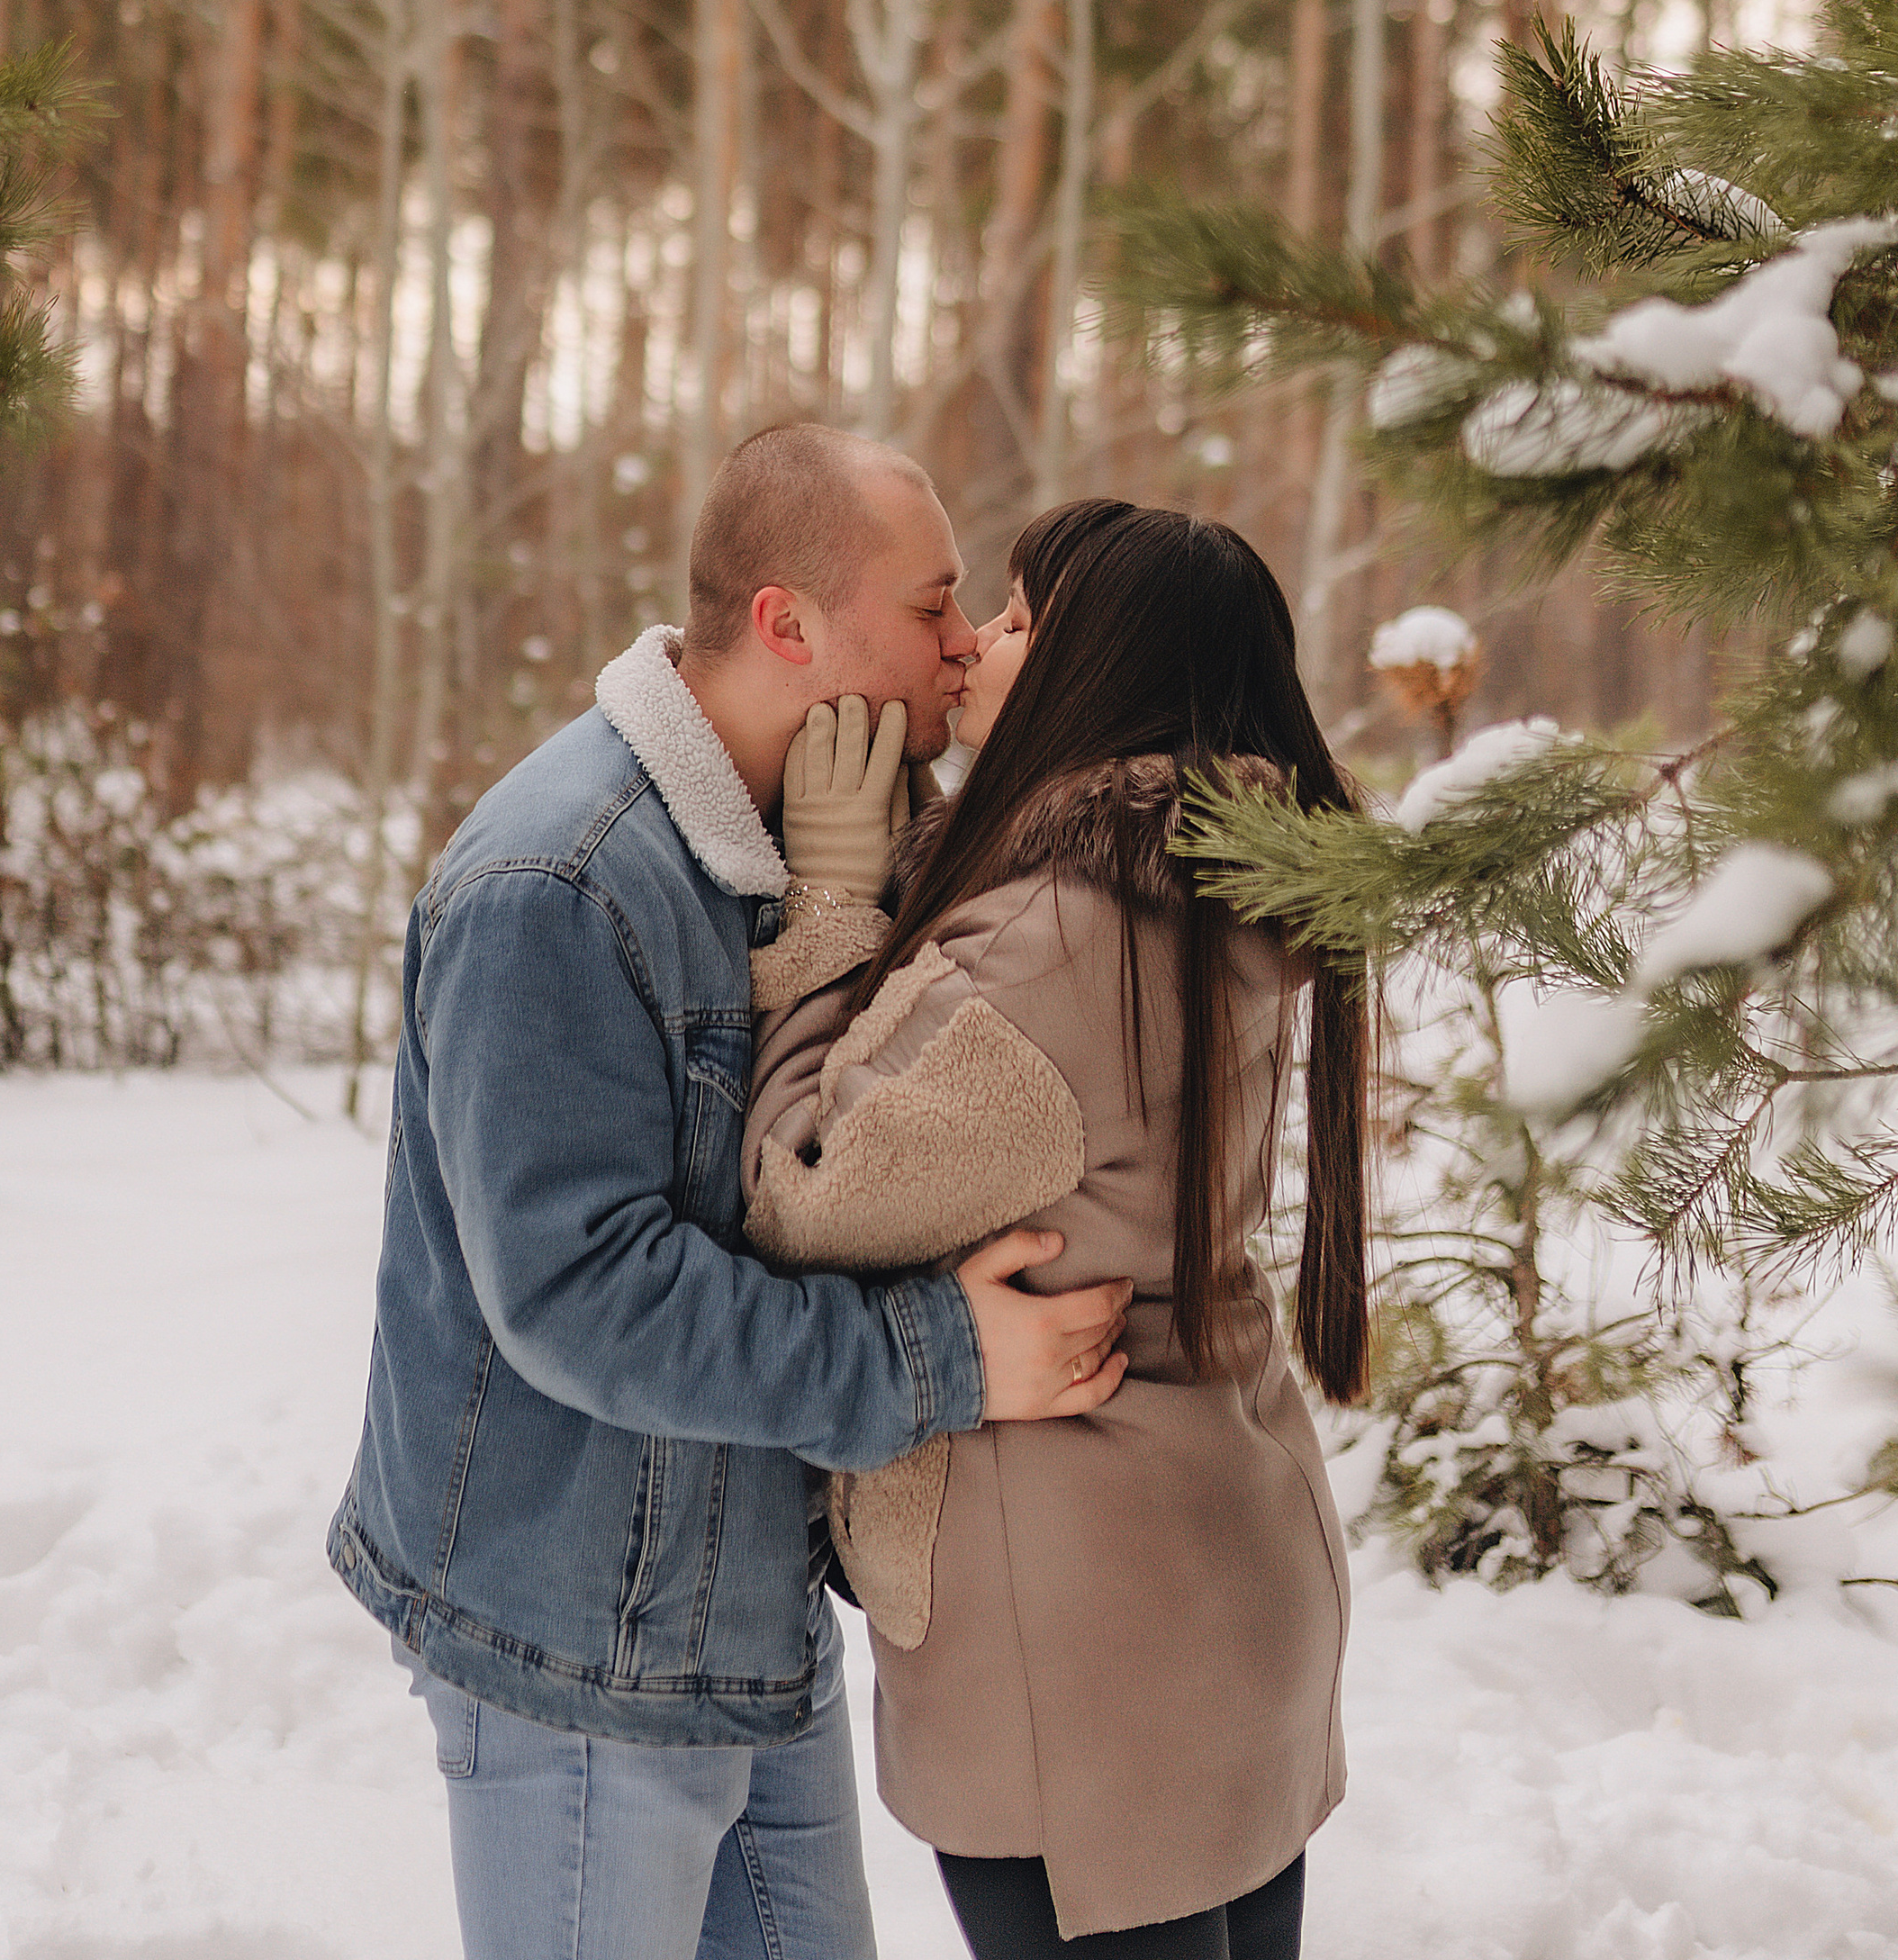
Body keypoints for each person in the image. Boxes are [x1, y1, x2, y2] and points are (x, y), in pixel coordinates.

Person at [327, 422, 1133, 1960]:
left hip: (744, 1615)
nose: (965, 647)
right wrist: (942, 1360)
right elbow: (583, 1293)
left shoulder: (807, 839)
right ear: (789, 625)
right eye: (933, 604)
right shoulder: (560, 884)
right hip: (578, 1646)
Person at [743, 500, 1370, 1960]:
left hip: (1082, 1635)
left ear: (1101, 667)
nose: (972, 643)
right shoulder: (1204, 892)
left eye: (1020, 618)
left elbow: (806, 1191)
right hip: (1226, 1553)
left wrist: (834, 908)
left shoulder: (1059, 940)